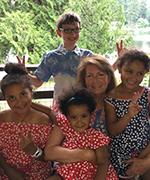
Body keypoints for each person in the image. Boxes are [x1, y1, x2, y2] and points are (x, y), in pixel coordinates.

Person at [16, 11, 123, 111]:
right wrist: (24, 73)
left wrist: (119, 60)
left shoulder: (87, 55)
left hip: (85, 105)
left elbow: (105, 72)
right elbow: (38, 82)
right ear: (59, 33)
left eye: (76, 29)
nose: (72, 34)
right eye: (67, 30)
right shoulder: (51, 58)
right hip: (61, 107)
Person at [33, 86, 118, 180]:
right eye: (74, 117)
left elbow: (103, 163)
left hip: (92, 176)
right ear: (67, 117)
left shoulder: (96, 137)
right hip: (68, 174)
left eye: (83, 116)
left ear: (91, 115)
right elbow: (49, 111)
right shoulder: (67, 127)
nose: (79, 121)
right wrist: (28, 103)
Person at [0, 63, 54, 180]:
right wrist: (9, 171)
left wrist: (34, 151)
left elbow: (48, 156)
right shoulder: (2, 119)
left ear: (31, 91)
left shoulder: (43, 120)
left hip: (38, 175)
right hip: (6, 174)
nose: (19, 102)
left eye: (23, 94)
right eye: (12, 98)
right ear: (5, 98)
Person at [104, 49, 150, 179]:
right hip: (121, 157)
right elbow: (112, 130)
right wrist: (128, 115)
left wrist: (144, 156)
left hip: (146, 151)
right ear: (119, 68)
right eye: (129, 71)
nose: (133, 78)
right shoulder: (110, 98)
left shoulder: (147, 94)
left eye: (140, 73)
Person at [76, 54, 117, 135]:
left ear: (108, 78)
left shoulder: (118, 105)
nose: (95, 81)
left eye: (100, 75)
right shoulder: (75, 104)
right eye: (89, 76)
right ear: (84, 80)